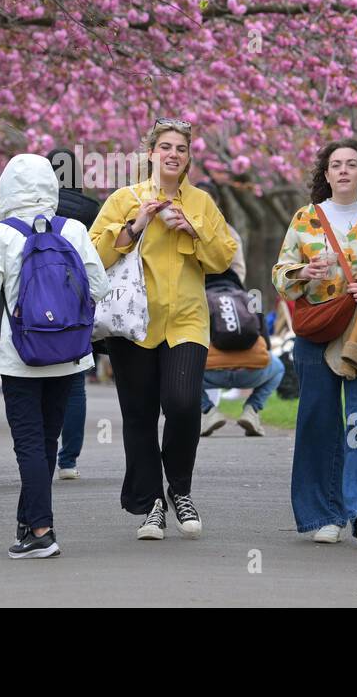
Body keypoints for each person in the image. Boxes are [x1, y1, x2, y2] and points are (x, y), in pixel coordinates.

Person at [88, 118, 236, 541]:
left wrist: (194, 230)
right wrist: (135, 225)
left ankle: (180, 489)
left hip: (186, 321)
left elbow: (223, 257)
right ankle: (152, 504)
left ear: (189, 157)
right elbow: (95, 253)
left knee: (184, 403)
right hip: (132, 323)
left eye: (181, 149)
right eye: (165, 147)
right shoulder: (124, 198)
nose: (173, 154)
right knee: (139, 415)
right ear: (150, 153)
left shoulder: (202, 203)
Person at [0, 154, 109, 558]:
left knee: (28, 441)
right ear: (51, 187)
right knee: (47, 440)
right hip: (69, 353)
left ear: (5, 188)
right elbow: (99, 286)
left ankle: (41, 531)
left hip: (19, 354)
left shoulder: (1, 234)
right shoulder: (74, 229)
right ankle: (29, 522)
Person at [273, 138, 357, 547]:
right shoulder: (305, 218)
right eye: (336, 165)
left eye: (352, 164)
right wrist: (304, 273)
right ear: (326, 174)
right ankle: (324, 513)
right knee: (318, 421)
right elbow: (279, 273)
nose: (344, 170)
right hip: (316, 333)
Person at [47, 147, 102, 480]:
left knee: (39, 376)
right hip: (77, 301)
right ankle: (68, 460)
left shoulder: (34, 209)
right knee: (75, 381)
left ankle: (44, 450)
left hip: (38, 300)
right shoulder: (91, 211)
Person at [199, 262, 284, 437]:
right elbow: (265, 344)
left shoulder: (200, 299)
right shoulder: (251, 298)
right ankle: (252, 410)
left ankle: (209, 411)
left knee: (179, 373)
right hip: (250, 373)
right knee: (278, 368)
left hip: (211, 374)